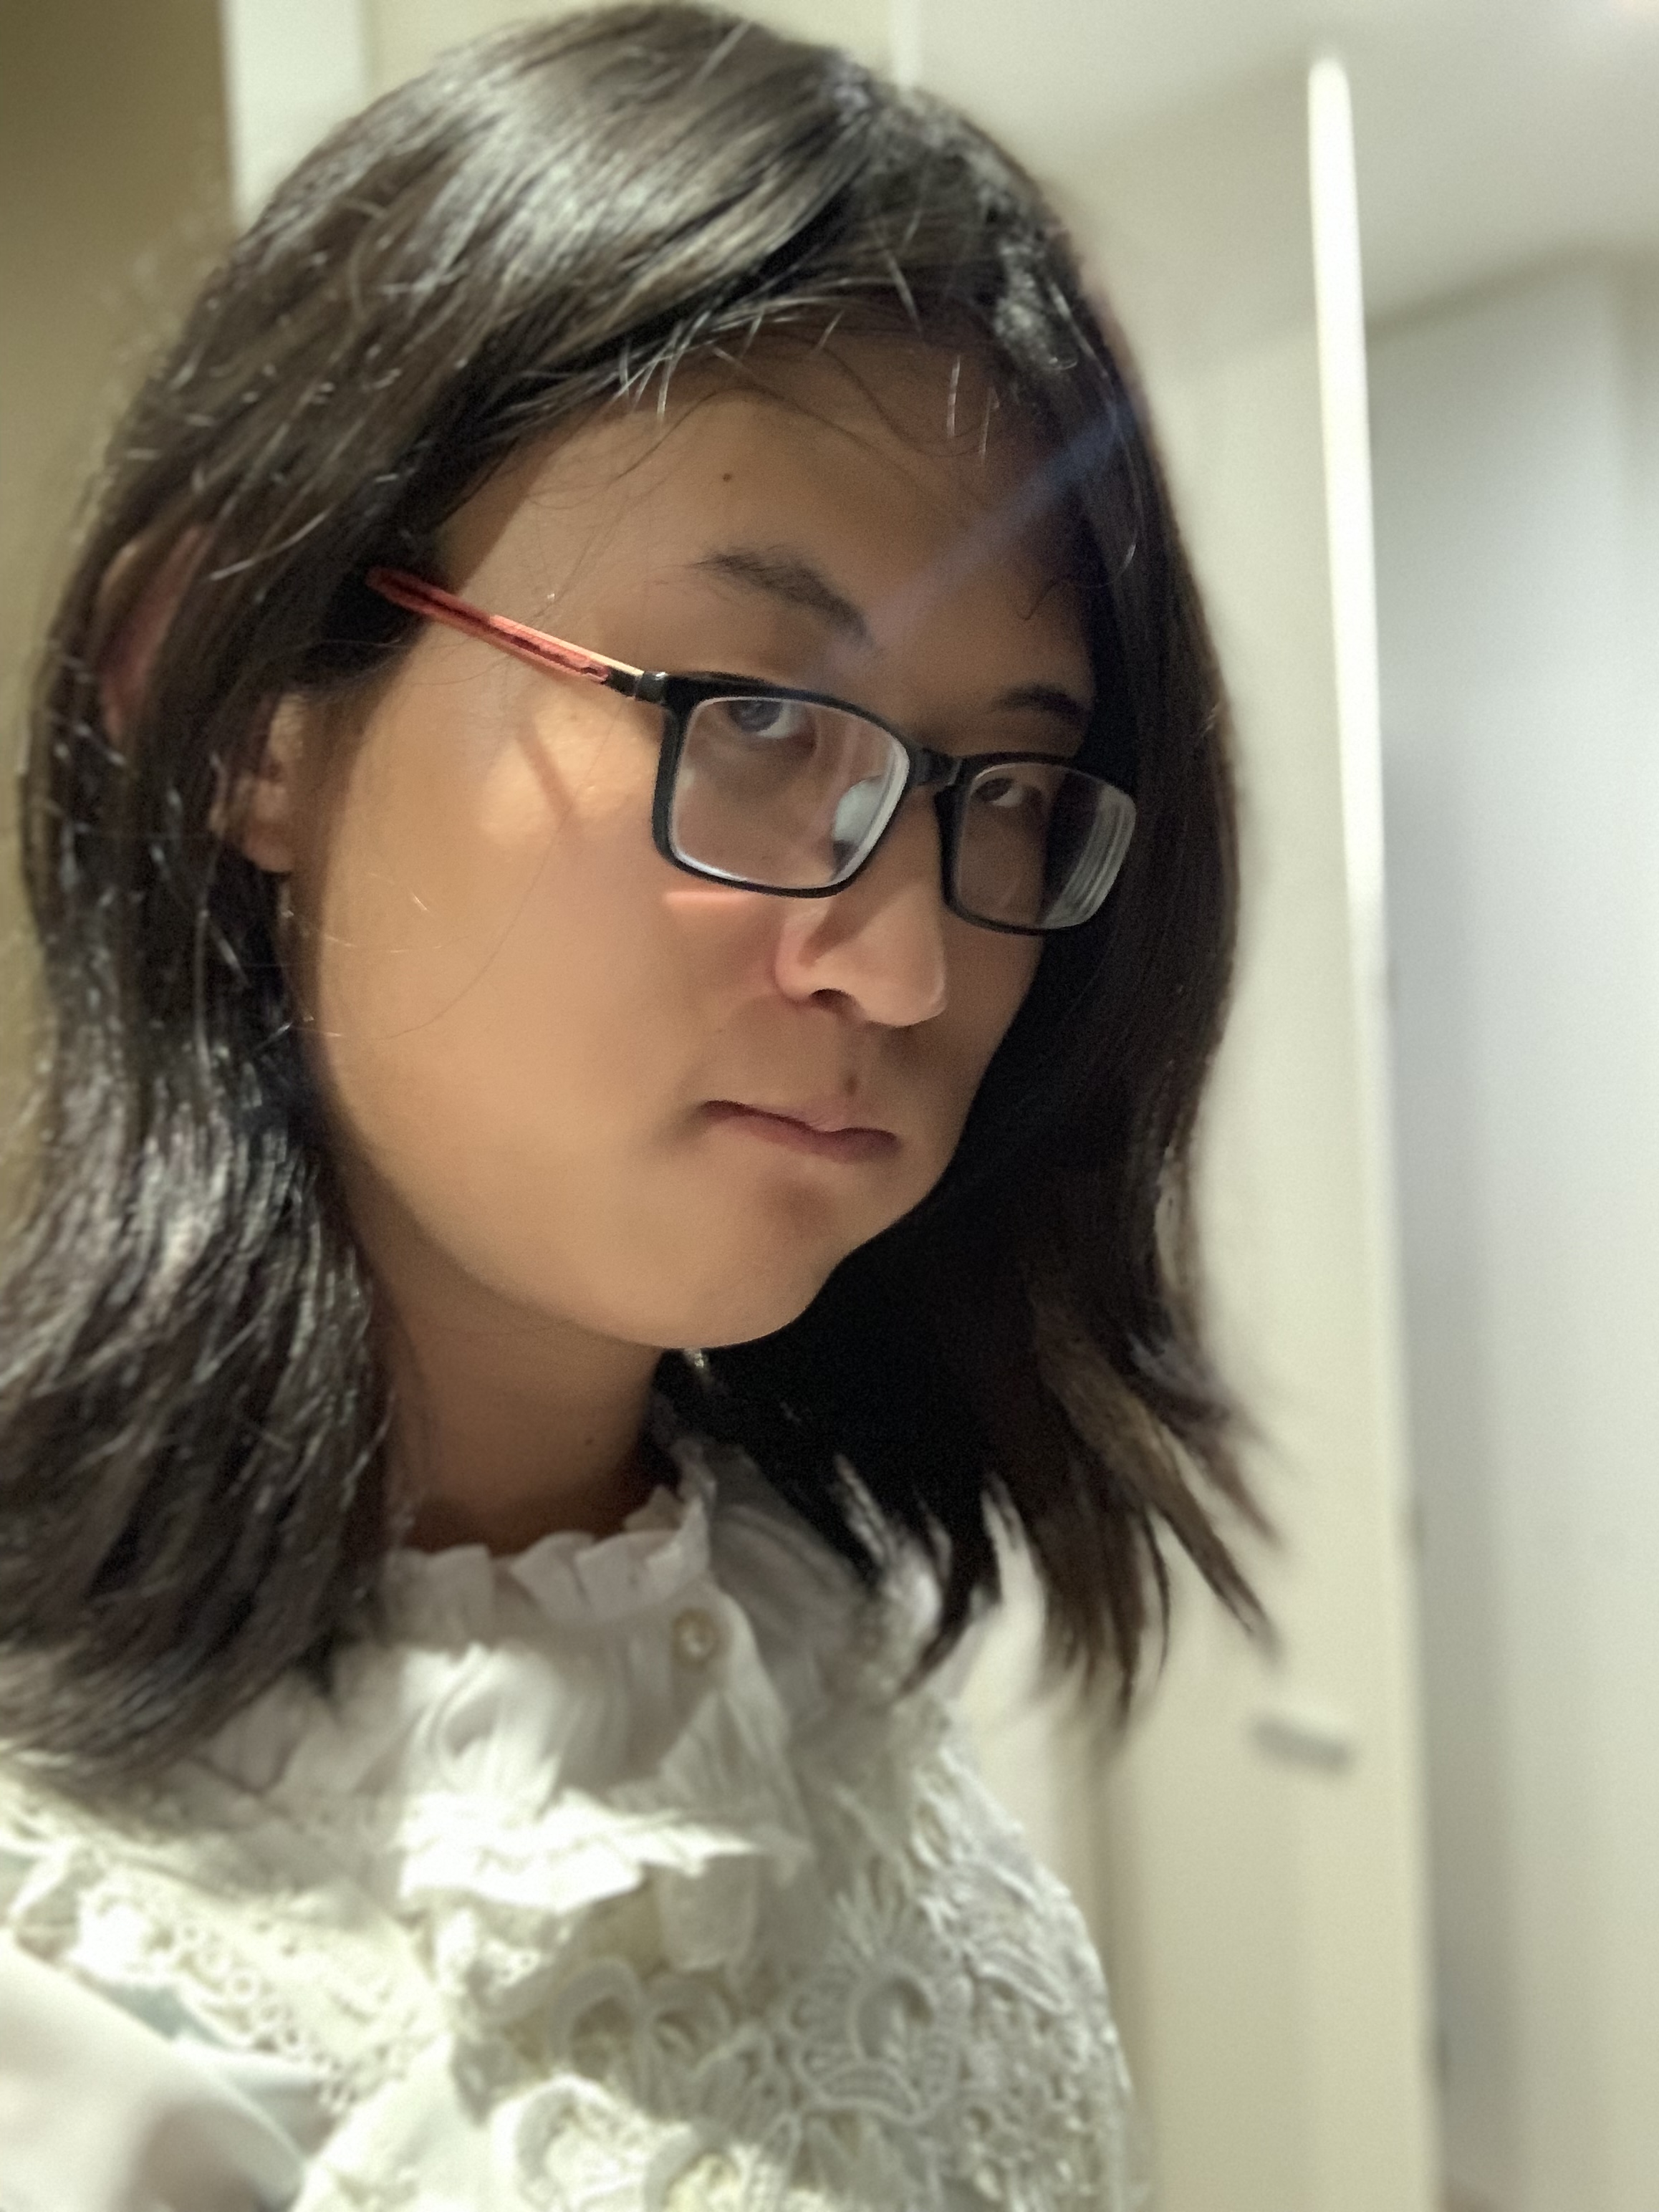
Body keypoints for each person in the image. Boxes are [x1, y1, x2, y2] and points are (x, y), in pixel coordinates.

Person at [0, 6, 1264, 2205]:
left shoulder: (819, 1629)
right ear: (234, 697)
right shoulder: (76, 1948)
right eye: (754, 714)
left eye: (1004, 786)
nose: (903, 960)